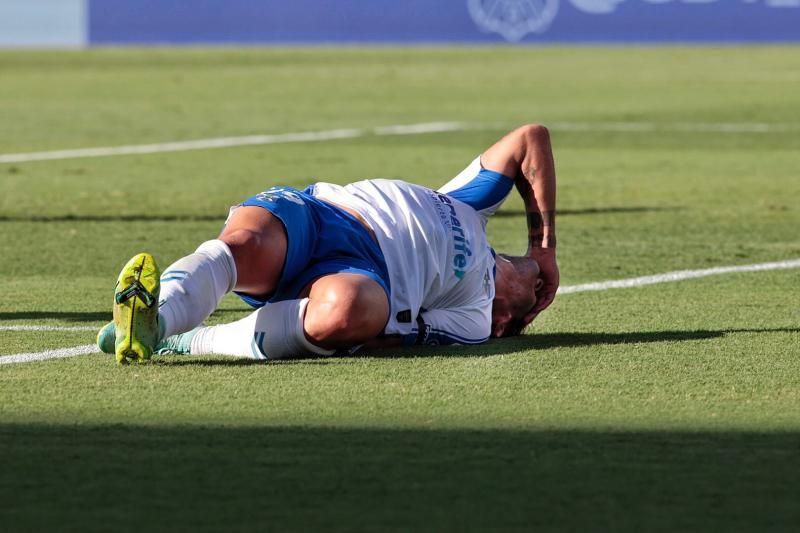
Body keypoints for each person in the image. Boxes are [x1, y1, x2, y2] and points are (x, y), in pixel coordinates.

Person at [98, 124, 559, 364]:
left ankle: (179, 341)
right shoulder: (471, 206)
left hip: (364, 275)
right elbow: (529, 139)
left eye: (534, 299)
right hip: (321, 215)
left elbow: (391, 338)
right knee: (245, 242)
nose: (540, 288)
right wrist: (543, 251)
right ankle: (154, 320)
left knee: (351, 309)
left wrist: (345, 327)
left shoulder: (476, 318)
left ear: (506, 321)